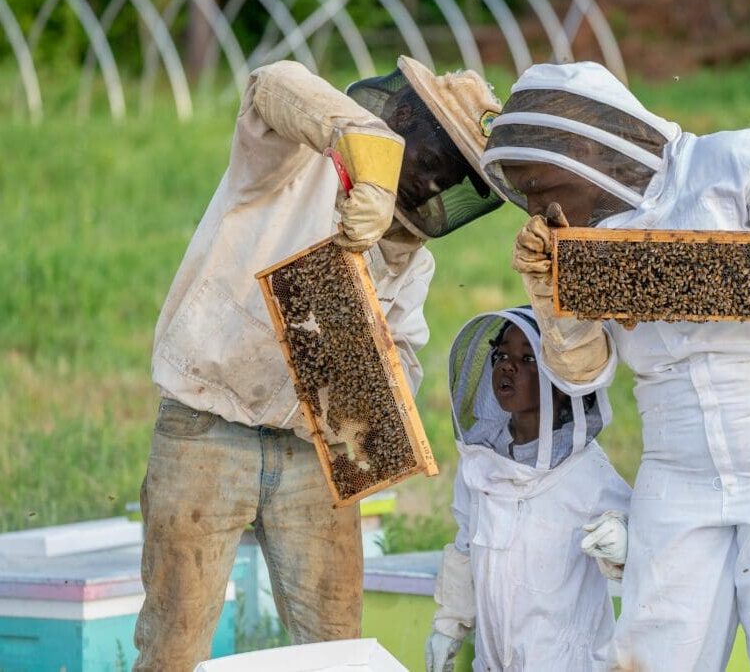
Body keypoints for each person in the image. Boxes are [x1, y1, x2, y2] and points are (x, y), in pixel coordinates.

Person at [481, 62, 750, 671]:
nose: (536, 207)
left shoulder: (728, 163)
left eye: (539, 186)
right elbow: (585, 374)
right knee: (652, 656)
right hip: (678, 464)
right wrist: (550, 296)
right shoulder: (581, 242)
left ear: (587, 151)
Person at [136, 57, 503, 670]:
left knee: (338, 652)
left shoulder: (412, 262)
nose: (436, 182)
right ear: (405, 119)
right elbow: (271, 82)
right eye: (436, 160)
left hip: (315, 460)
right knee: (173, 648)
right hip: (206, 428)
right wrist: (373, 165)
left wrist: (373, 381)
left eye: (452, 176)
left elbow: (402, 366)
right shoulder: (288, 164)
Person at [424, 307, 632, 672]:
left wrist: (625, 543)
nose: (508, 366)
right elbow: (465, 547)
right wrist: (448, 626)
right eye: (501, 355)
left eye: (527, 358)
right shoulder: (480, 464)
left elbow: (647, 552)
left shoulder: (587, 472)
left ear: (564, 382)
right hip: (492, 663)